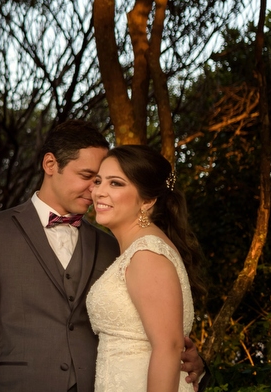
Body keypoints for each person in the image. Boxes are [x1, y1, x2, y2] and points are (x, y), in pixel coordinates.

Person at [0, 121, 205, 392]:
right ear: (50, 165)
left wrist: (194, 362)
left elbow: (158, 328)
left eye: (103, 180)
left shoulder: (114, 245)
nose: (94, 190)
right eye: (88, 177)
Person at [87, 145, 207, 392]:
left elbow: (169, 347)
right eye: (98, 181)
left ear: (148, 200)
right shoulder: (138, 249)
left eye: (116, 183)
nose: (99, 191)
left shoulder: (147, 253)